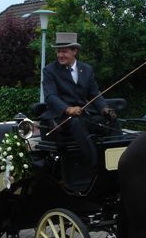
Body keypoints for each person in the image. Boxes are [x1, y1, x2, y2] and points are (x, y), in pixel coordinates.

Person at [42, 32, 118, 172]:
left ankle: (119, 159)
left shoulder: (87, 69)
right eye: (58, 51)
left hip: (83, 114)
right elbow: (51, 97)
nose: (60, 55)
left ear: (74, 51)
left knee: (110, 119)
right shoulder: (49, 70)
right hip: (62, 117)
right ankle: (96, 165)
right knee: (77, 123)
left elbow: (94, 94)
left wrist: (104, 109)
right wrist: (68, 109)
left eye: (64, 51)